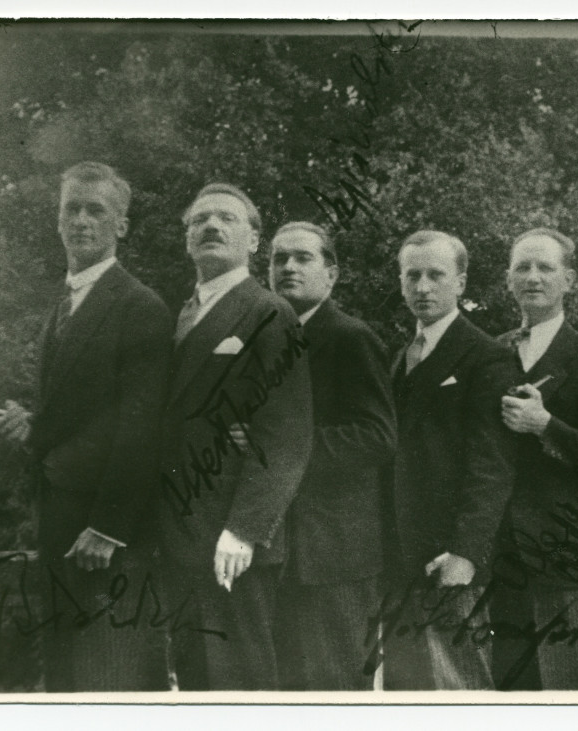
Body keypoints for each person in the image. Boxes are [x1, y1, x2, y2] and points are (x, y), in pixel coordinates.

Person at [0, 161, 172, 691]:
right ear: (57, 219)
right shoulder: (65, 304)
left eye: (96, 210)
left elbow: (141, 427)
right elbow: (84, 411)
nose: (81, 220)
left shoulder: (139, 305)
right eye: (70, 208)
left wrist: (109, 526)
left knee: (109, 679)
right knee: (68, 681)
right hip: (60, 523)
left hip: (105, 536)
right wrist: (36, 425)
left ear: (121, 226)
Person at [156, 183, 313, 690]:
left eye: (226, 218)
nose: (211, 227)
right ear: (185, 240)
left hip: (232, 540)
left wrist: (245, 528)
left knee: (240, 684)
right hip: (180, 535)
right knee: (197, 680)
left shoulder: (270, 312)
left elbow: (287, 434)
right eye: (199, 220)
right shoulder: (180, 315)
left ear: (252, 240)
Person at [491, 228, 578, 690]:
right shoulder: (491, 351)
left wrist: (545, 425)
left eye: (545, 267)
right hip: (497, 551)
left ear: (568, 279)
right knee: (510, 685)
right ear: (508, 279)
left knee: (571, 687)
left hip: (564, 552)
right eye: (522, 267)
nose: (532, 277)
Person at [381, 229, 518, 690]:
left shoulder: (487, 356)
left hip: (452, 559)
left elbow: (492, 466)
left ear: (460, 283)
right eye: (412, 275)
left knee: (460, 688)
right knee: (407, 690)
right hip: (400, 556)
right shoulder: (401, 357)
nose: (422, 287)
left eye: (435, 275)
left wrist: (467, 552)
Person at [266, 222, 396, 690]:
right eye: (278, 259)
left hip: (335, 556)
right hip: (279, 552)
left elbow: (377, 436)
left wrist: (280, 450)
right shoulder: (267, 339)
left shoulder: (350, 337)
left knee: (335, 690)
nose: (288, 267)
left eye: (303, 258)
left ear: (332, 274)